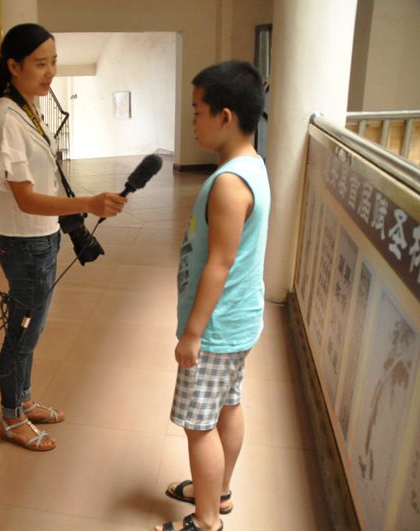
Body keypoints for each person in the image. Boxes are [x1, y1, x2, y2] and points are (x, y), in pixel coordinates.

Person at [0, 23, 127, 452]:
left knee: (34, 327)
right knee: (22, 332)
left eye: (54, 62)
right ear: (14, 66)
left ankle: (24, 400)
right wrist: (88, 203)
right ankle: (12, 418)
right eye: (40, 63)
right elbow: (25, 199)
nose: (50, 72)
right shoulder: (5, 117)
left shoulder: (27, 108)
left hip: (42, 238)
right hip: (24, 242)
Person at [156, 60, 270, 531]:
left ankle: (206, 520)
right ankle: (218, 492)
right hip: (241, 319)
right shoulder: (252, 165)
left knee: (198, 425)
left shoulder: (228, 184)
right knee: (228, 405)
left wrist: (193, 334)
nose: (193, 120)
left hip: (216, 329)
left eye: (197, 111)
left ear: (225, 116)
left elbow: (218, 265)